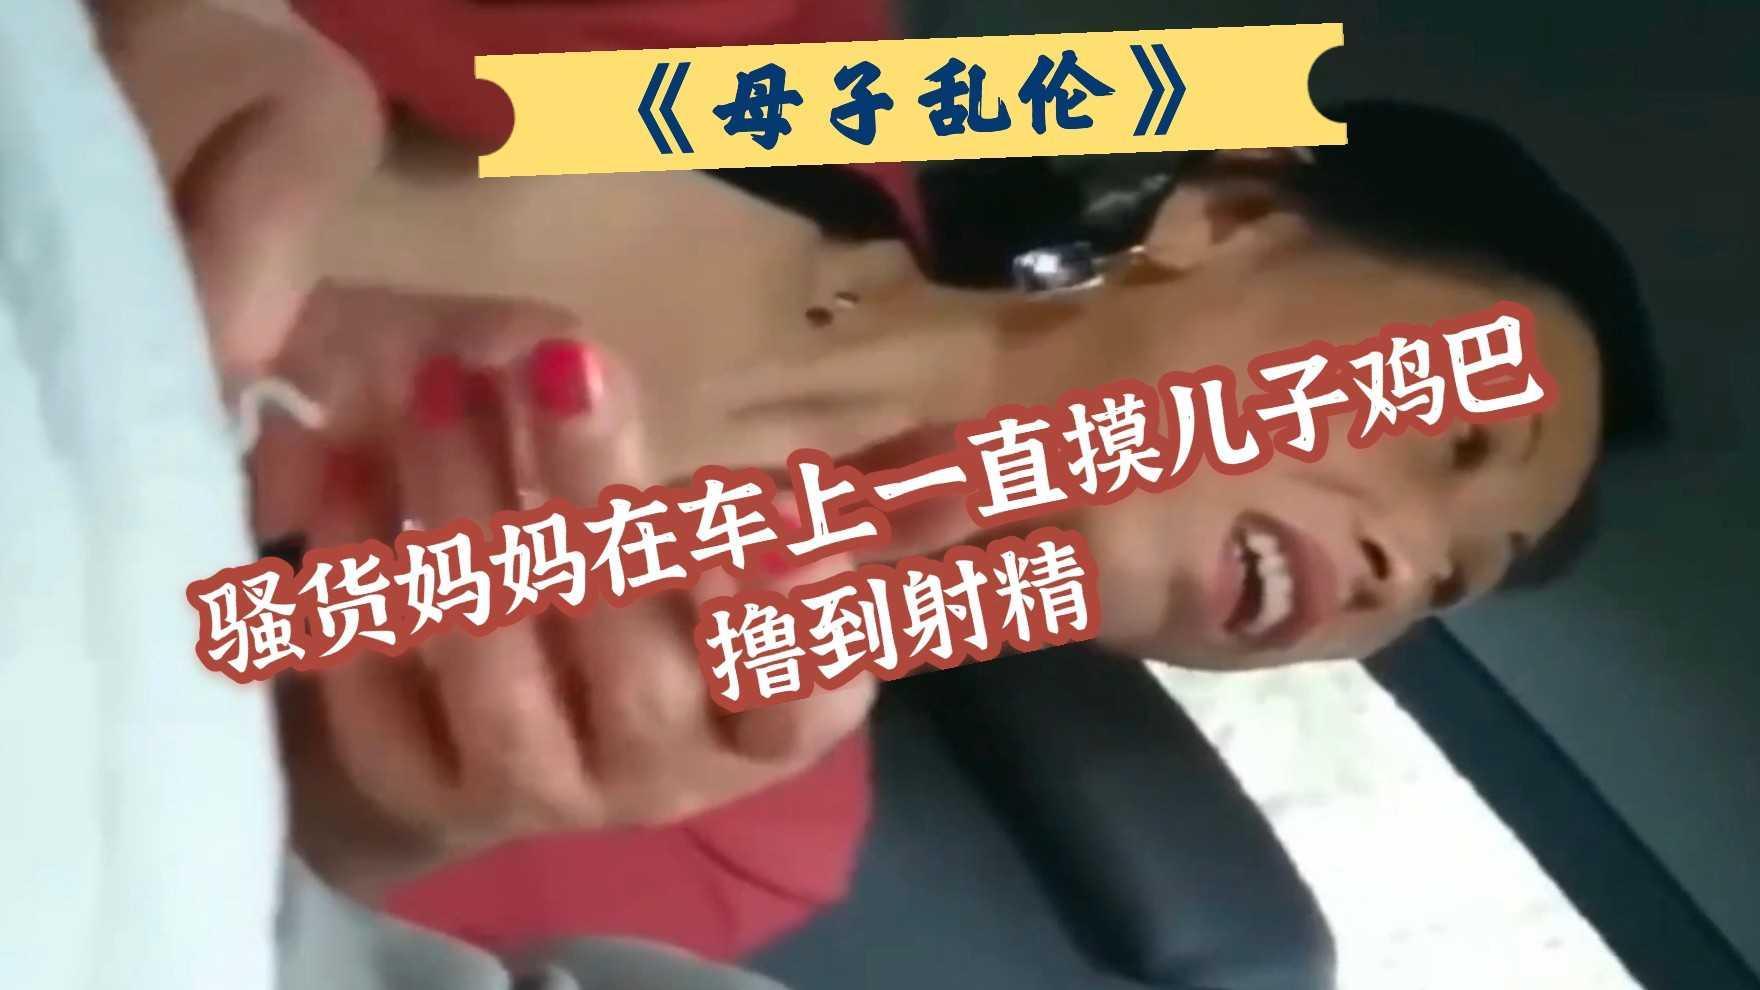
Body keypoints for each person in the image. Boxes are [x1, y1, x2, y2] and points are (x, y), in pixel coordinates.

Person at [69, 0, 1665, 979]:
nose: (1395, 569)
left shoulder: (743, 804)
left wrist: (353, 807)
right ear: (1226, 218)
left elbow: (155, 928)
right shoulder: (762, 54)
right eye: (1449, 427)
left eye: (1442, 584)